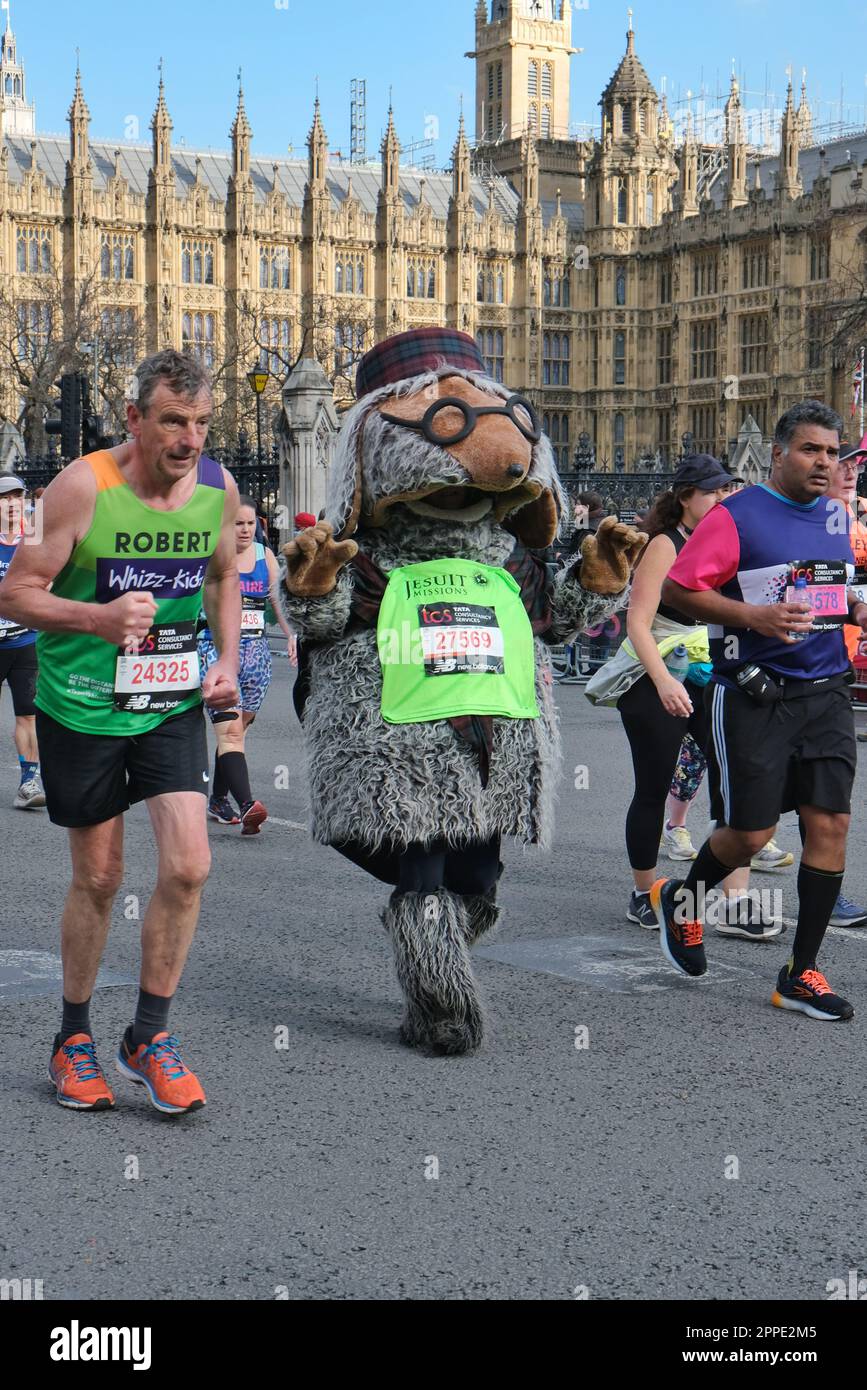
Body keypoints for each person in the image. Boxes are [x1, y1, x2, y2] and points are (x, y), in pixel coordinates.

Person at [0, 349, 241, 1110]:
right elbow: (15, 592)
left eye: (202, 423)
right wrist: (98, 619)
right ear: (135, 419)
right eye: (173, 421)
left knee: (190, 865)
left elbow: (224, 575)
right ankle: (73, 1038)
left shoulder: (217, 487)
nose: (190, 439)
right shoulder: (81, 487)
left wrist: (228, 657)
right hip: (82, 704)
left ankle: (148, 1034)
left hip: (166, 702)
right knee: (100, 879)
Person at [656, 400, 865, 1020]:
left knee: (830, 825)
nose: (825, 462)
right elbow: (678, 589)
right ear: (777, 455)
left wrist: (854, 604)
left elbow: (829, 587)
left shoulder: (836, 515)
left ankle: (801, 973)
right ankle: (683, 902)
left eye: (832, 452)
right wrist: (754, 618)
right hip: (756, 690)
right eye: (811, 450)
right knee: (752, 834)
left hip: (827, 689)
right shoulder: (736, 516)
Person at [616, 455, 780, 940]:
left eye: (728, 490)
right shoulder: (665, 545)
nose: (722, 499)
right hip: (659, 671)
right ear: (685, 496)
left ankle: (735, 899)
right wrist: (664, 682)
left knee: (737, 785)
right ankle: (645, 893)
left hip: (711, 672)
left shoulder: (729, 537)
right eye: (712, 491)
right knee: (653, 785)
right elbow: (637, 623)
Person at [200, 494, 297, 833]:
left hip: (255, 651)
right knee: (229, 729)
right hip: (215, 647)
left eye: (249, 524)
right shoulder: (211, 556)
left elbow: (277, 598)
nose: (243, 530)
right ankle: (247, 805)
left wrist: (290, 635)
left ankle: (217, 799)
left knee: (238, 730)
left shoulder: (264, 555)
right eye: (237, 523)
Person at [0, 475, 45, 808]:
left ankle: (29, 782)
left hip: (25, 641)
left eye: (17, 497)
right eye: (5, 498)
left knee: (28, 715)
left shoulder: (34, 539)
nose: (12, 504)